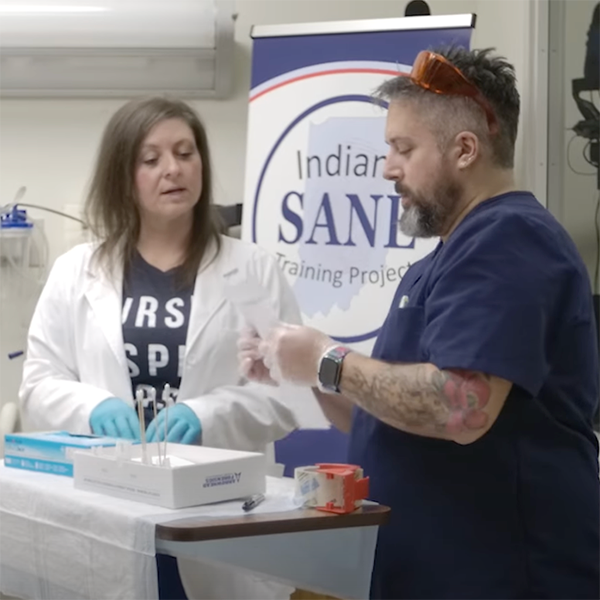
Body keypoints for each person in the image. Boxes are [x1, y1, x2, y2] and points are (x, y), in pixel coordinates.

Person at [238, 46, 600, 600]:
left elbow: (459, 408)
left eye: (403, 148)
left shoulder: (509, 239)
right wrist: (302, 372)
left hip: (506, 574)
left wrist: (328, 360)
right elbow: (390, 411)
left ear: (465, 149)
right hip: (427, 571)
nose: (387, 168)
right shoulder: (442, 260)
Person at [19, 96, 299, 600]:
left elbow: (287, 394)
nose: (173, 169)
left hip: (217, 511)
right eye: (151, 159)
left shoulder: (254, 269)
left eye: (185, 153)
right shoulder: (76, 271)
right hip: (109, 510)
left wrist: (206, 414)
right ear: (123, 177)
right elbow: (38, 384)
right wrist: (92, 406)